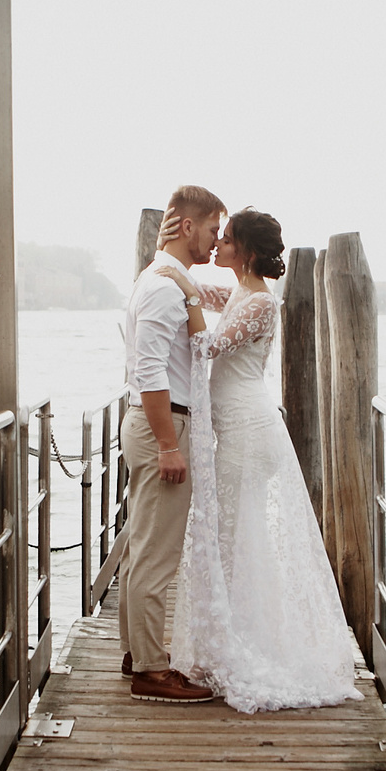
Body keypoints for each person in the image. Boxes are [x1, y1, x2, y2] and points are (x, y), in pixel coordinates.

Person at [166, 208, 362, 713]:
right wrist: (172, 265)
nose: (220, 244)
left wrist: (187, 292)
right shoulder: (238, 293)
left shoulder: (259, 303)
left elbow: (207, 344)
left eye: (228, 239)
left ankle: (239, 648)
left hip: (249, 434)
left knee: (233, 539)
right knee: (236, 539)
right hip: (238, 431)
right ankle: (232, 640)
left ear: (247, 251)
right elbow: (196, 290)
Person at [117, 185, 224, 703]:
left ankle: (136, 653)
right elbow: (150, 370)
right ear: (187, 226)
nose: (216, 240)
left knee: (143, 548)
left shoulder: (165, 278)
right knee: (157, 556)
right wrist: (167, 444)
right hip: (163, 424)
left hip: (157, 422)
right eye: (212, 229)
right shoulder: (164, 287)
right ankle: (151, 671)